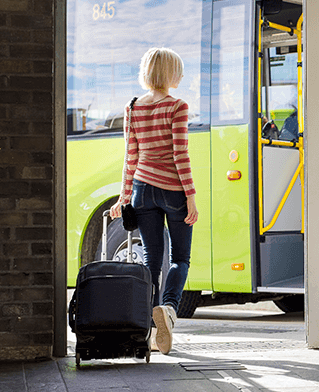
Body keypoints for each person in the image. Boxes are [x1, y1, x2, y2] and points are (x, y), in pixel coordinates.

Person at [109, 47, 197, 355]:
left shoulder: (133, 107)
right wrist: (190, 195)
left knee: (151, 259)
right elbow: (179, 155)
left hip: (143, 189)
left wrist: (124, 197)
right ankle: (169, 311)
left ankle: (148, 325)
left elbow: (130, 157)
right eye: (179, 71)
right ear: (170, 74)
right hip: (172, 189)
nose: (182, 76)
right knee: (180, 258)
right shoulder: (177, 106)